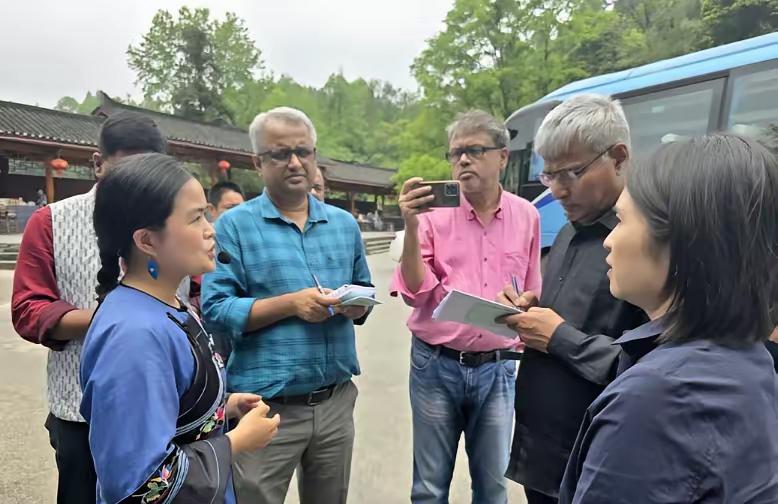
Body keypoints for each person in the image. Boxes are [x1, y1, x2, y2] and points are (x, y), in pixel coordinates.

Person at [558, 134, 778, 502]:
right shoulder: (750, 356)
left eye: (622, 220)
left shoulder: (656, 401)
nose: (608, 241)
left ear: (679, 238)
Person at [81, 153, 280, 503]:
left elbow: (170, 409)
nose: (210, 229)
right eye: (196, 218)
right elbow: (137, 485)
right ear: (147, 241)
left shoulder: (168, 302)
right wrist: (235, 442)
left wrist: (223, 406)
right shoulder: (134, 337)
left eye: (206, 213)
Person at [202, 107, 373, 504]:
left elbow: (365, 289)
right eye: (280, 154)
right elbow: (216, 308)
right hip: (266, 406)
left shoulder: (344, 224)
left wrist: (354, 304)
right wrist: (290, 305)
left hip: (334, 400)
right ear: (257, 162)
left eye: (304, 151)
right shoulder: (234, 226)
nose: (295, 162)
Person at [497, 94, 647, 504]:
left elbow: (652, 363)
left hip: (598, 454)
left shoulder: (650, 242)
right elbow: (571, 320)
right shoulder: (566, 232)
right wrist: (534, 314)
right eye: (549, 176)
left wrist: (558, 336)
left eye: (572, 173)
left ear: (618, 157)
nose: (558, 191)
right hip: (542, 450)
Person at [11, 111, 166, 504]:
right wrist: (106, 322)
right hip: (82, 408)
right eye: (126, 165)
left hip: (163, 403)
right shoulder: (52, 221)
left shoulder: (176, 221)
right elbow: (29, 307)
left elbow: (199, 295)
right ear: (98, 163)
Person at [390, 110, 542, 504]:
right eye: (455, 153)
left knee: (493, 488)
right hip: (435, 365)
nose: (462, 161)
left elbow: (531, 289)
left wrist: (524, 303)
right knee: (429, 487)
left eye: (474, 150)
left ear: (503, 157)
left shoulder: (527, 215)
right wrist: (409, 225)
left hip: (497, 366)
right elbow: (414, 291)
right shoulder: (432, 214)